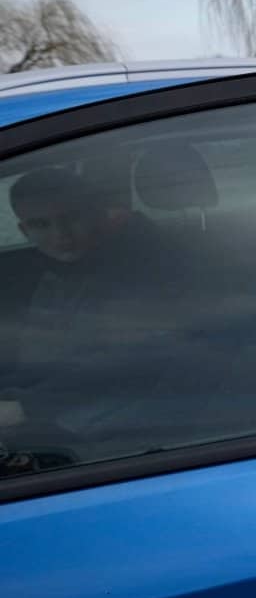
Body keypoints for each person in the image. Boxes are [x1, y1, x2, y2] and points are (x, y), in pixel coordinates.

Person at [1, 166, 174, 445]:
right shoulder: (46, 271)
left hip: (113, 431)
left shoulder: (139, 271)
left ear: (97, 213)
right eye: (41, 224)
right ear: (23, 230)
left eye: (71, 218)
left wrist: (24, 406)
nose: (61, 235)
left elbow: (127, 361)